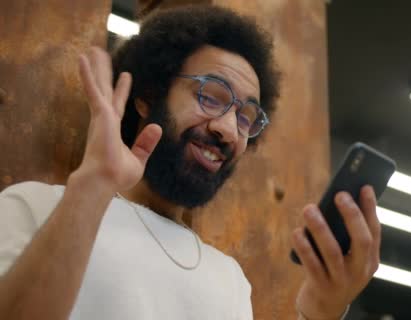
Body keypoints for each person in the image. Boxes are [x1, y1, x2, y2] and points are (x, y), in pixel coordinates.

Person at [0, 5, 381, 320]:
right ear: (148, 95)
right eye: (211, 96)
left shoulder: (230, 279)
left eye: (247, 117)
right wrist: (93, 186)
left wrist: (320, 311)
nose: (230, 130)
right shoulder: (33, 205)